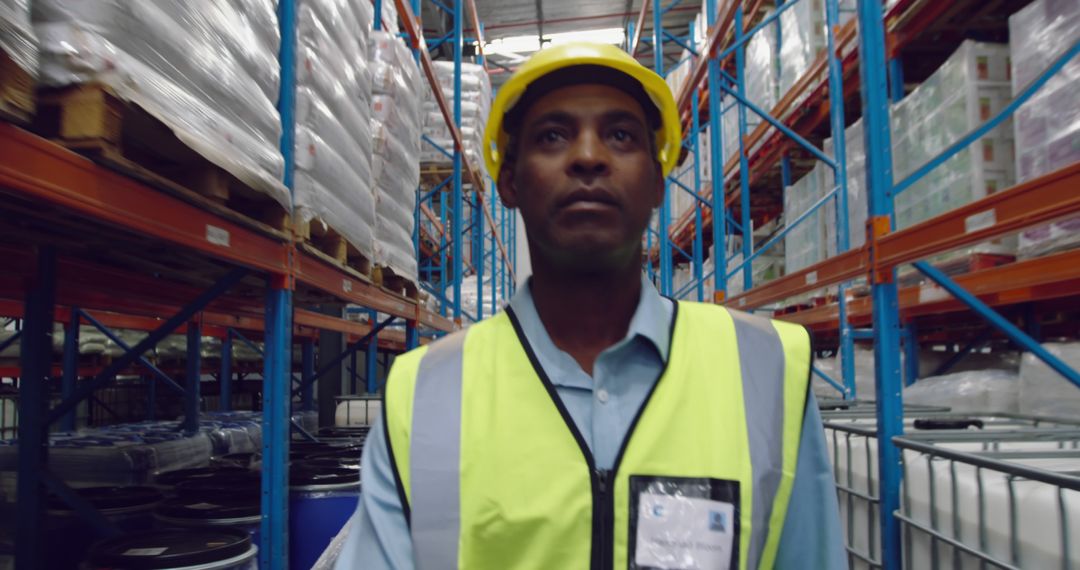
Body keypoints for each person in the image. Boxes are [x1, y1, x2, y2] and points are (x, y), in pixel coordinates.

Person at [336, 42, 846, 569]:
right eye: (553, 135)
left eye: (621, 135)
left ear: (656, 180)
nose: (588, 156)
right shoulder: (425, 394)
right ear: (509, 181)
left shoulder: (763, 369)